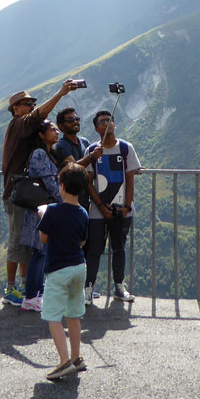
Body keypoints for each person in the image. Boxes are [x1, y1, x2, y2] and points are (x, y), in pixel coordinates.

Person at [1, 81, 85, 306]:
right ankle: (11, 289)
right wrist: (62, 92)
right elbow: (38, 116)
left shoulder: (27, 132)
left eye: (31, 103)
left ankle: (26, 287)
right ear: (15, 109)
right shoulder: (19, 123)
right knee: (17, 241)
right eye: (25, 104)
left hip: (26, 195)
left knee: (26, 244)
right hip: (17, 193)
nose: (29, 106)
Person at [38, 163, 91, 380]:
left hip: (58, 270)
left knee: (53, 315)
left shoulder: (51, 211)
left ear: (61, 186)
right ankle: (77, 357)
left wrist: (44, 214)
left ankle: (63, 362)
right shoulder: (83, 212)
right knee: (73, 312)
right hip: (79, 267)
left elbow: (43, 238)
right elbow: (83, 240)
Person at [83, 108, 140, 303]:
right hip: (98, 209)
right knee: (95, 249)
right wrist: (99, 205)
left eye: (110, 120)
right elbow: (88, 181)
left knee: (119, 248)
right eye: (102, 122)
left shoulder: (126, 148)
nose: (107, 124)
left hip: (121, 208)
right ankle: (88, 289)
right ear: (96, 128)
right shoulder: (92, 150)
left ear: (114, 124)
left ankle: (119, 287)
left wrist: (126, 207)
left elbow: (130, 178)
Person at [20, 119, 64, 313]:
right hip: (40, 209)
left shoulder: (48, 153)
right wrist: (64, 201)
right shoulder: (39, 154)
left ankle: (36, 293)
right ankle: (31, 296)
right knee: (39, 253)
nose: (56, 132)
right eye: (52, 130)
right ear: (41, 134)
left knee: (42, 252)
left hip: (44, 207)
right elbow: (49, 181)